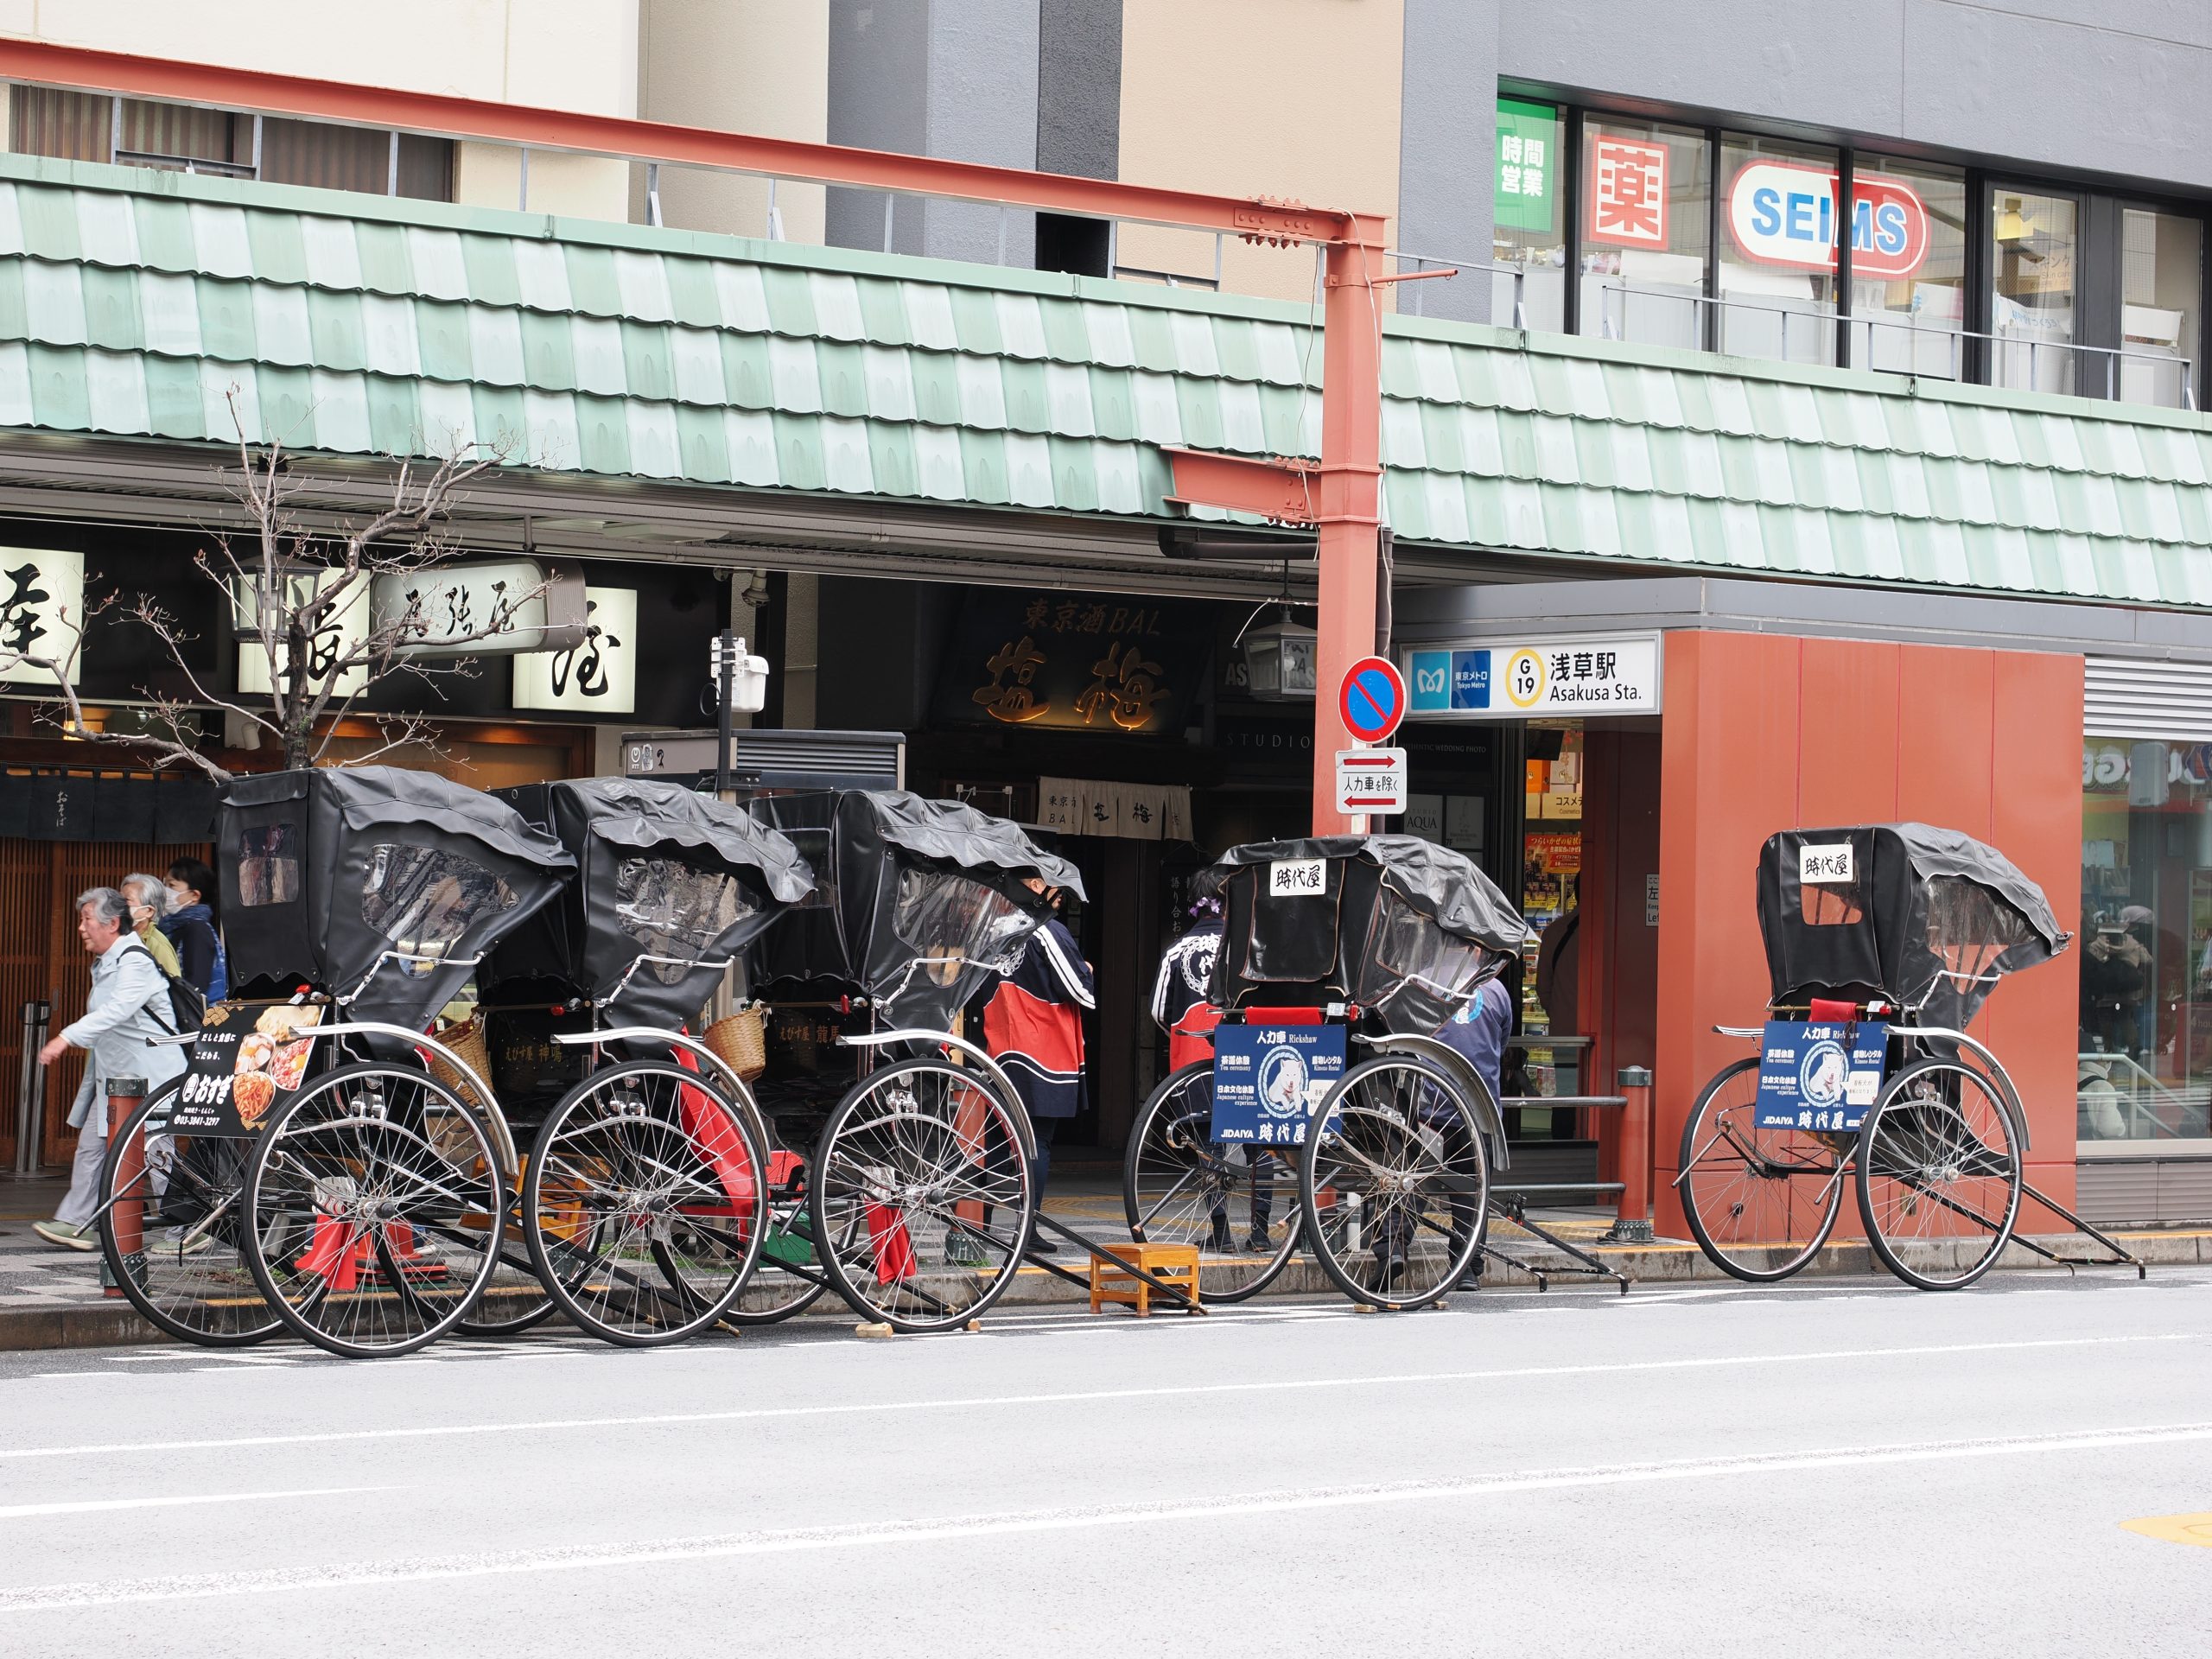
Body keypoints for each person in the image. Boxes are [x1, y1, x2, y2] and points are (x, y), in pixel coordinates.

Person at [30, 888, 190, 1250]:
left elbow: (116, 1011)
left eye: (88, 920)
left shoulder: (135, 961)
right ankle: (75, 1223)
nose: (82, 928)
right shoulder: (107, 961)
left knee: (156, 1153)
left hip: (151, 1078)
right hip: (115, 1078)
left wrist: (65, 1038)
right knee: (91, 1148)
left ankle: (186, 1232)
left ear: (113, 923)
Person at [979, 880, 1094, 1255]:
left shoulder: (995, 928)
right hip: (1041, 1046)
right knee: (1037, 1139)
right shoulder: (1047, 929)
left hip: (999, 1043)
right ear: (1033, 885)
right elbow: (1077, 987)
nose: (1059, 897)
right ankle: (1028, 1230)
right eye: (1054, 888)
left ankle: (982, 1227)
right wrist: (1088, 969)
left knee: (997, 1138)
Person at [162, 855, 227, 1002]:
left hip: (200, 1019)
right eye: (165, 885)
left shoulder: (197, 929)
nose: (165, 891)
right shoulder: (177, 926)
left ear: (194, 895)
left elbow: (196, 986)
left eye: (171, 886)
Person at [119, 873, 181, 982]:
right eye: (119, 900)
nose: (118, 906)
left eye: (126, 901)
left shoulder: (158, 945)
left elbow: (172, 990)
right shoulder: (119, 938)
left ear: (148, 911)